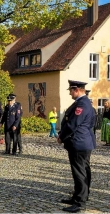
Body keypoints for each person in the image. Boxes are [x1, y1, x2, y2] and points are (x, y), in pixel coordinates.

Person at [57, 80, 96, 213]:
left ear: (77, 89)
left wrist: (61, 137)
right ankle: (79, 196)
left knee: (79, 172)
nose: (70, 93)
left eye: (71, 91)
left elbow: (73, 124)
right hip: (82, 142)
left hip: (79, 143)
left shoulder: (82, 104)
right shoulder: (83, 103)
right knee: (83, 171)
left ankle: (80, 202)